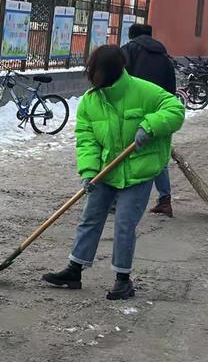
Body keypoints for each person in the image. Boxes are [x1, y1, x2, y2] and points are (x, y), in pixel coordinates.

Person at [42, 45, 184, 300]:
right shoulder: (90, 100)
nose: (92, 78)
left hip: (139, 170)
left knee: (124, 223)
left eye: (96, 73)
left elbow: (175, 110)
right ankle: (75, 269)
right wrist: (89, 171)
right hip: (107, 169)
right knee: (90, 217)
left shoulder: (144, 91)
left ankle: (122, 280)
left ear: (112, 71)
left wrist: (150, 125)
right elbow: (86, 139)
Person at [123, 24, 177, 217]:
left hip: (133, 112)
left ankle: (116, 200)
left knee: (125, 153)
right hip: (161, 113)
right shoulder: (164, 56)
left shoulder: (128, 51)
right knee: (159, 157)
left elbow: (120, 81)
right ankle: (165, 200)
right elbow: (172, 90)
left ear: (131, 36)